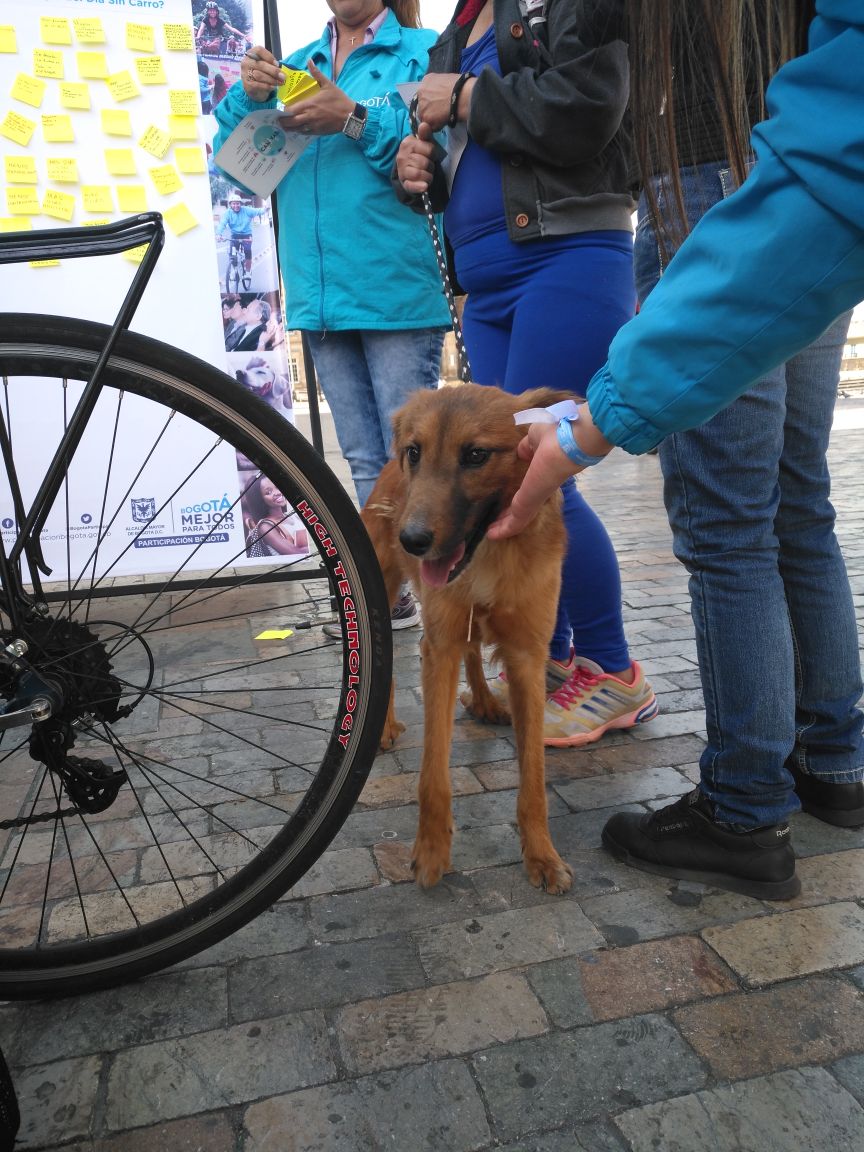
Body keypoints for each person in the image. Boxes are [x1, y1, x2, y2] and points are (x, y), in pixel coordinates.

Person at [487, 0, 864, 901]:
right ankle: (839, 764)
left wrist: (584, 433)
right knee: (795, 501)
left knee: (730, 524)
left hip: (714, 184)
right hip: (800, 166)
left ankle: (743, 808)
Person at [394, 0, 657, 744]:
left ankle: (612, 674)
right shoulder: (458, 26)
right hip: (488, 282)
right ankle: (553, 656)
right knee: (508, 491)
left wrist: (469, 98)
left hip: (565, 256)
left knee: (542, 477)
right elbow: (484, 156)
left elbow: (591, 106)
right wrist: (426, 171)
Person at [214, 0, 451, 633]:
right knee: (367, 459)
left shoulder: (423, 52)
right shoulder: (296, 66)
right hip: (322, 297)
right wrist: (247, 93)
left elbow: (432, 153)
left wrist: (350, 118)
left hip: (395, 286)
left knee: (416, 461)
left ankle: (435, 594)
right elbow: (235, 162)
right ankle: (390, 592)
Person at [243, 475, 309, 557]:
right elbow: (297, 553)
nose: (277, 493)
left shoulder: (293, 516)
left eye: (277, 487)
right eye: (269, 492)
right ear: (260, 499)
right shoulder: (266, 526)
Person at [217, 193, 267, 277]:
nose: (236, 205)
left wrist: (265, 209)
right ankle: (235, 270)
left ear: (240, 204)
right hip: (235, 235)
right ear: (230, 204)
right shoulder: (227, 213)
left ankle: (247, 272)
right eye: (234, 203)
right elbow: (222, 224)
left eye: (238, 203)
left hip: (246, 235)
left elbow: (258, 211)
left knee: (247, 253)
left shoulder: (247, 210)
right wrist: (219, 234)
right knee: (232, 255)